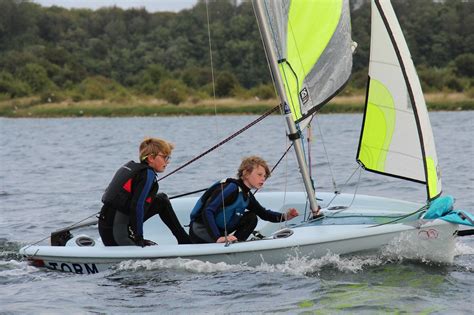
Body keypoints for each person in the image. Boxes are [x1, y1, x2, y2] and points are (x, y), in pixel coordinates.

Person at [98, 137, 191, 247]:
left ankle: (184, 239)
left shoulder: (135, 169)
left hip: (107, 230)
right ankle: (185, 240)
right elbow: (137, 206)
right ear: (151, 158)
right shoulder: (147, 174)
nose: (167, 161)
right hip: (117, 237)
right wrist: (139, 239)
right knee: (161, 201)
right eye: (165, 157)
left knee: (161, 200)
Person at [189, 156, 300, 244]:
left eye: (265, 176)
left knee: (251, 217)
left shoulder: (246, 194)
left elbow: (264, 214)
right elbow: (207, 211)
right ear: (246, 173)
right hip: (201, 231)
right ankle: (227, 245)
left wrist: (285, 216)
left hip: (219, 232)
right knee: (250, 217)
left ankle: (236, 244)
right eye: (260, 174)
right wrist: (218, 238)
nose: (263, 179)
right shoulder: (230, 188)